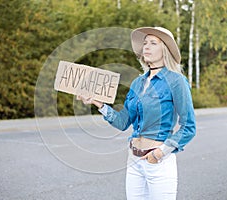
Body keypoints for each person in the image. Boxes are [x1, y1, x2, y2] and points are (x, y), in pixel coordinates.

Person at [77, 27, 196, 200]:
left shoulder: (176, 81)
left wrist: (160, 152)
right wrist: (99, 103)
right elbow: (123, 121)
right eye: (145, 43)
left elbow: (189, 127)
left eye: (153, 43)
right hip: (134, 160)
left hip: (158, 162)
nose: (146, 47)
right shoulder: (137, 83)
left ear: (165, 50)